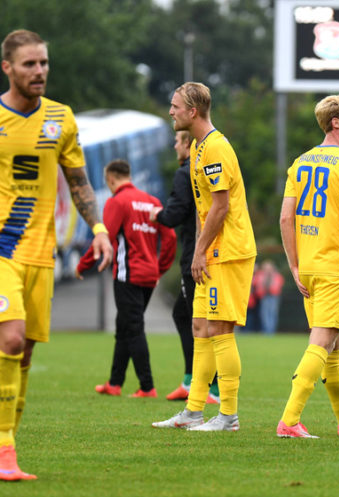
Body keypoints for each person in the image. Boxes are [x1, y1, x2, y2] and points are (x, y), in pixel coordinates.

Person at [0, 29, 113, 481]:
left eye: (43, 63)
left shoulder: (61, 119)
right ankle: (4, 449)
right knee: (9, 339)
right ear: (7, 67)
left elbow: (79, 180)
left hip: (40, 252)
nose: (39, 71)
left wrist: (99, 229)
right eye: (29, 64)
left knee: (23, 354)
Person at [153, 82, 256, 432]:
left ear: (192, 111)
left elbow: (221, 207)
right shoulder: (197, 148)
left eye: (175, 106)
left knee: (219, 329)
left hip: (228, 251)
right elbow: (203, 210)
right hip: (211, 252)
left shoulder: (215, 148)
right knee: (200, 328)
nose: (171, 111)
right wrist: (197, 252)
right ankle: (194, 410)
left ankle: (228, 416)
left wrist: (199, 251)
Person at [275, 94, 339, 439]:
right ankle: (290, 420)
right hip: (335, 266)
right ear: (335, 123)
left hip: (309, 266)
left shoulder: (301, 162)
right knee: (323, 341)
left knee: (335, 345)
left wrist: (294, 266)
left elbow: (285, 217)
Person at [77, 159, 176, 398]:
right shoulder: (152, 202)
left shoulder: (117, 201)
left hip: (128, 275)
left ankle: (147, 387)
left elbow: (105, 237)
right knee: (124, 327)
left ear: (111, 179)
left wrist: (84, 264)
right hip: (149, 275)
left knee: (133, 329)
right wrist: (159, 268)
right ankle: (115, 382)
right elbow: (170, 237)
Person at [150, 131, 220, 403]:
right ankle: (192, 379)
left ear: (189, 145)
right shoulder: (205, 167)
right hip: (205, 249)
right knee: (183, 313)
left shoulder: (185, 172)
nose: (174, 145)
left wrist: (159, 215)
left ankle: (207, 386)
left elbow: (176, 212)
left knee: (198, 320)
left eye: (178, 141)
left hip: (195, 253)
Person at [256, 260, 284, 335]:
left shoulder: (277, 276)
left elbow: (277, 286)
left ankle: (271, 331)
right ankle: (266, 330)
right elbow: (257, 284)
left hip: (273, 297)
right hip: (264, 296)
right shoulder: (261, 275)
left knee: (272, 313)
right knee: (264, 314)